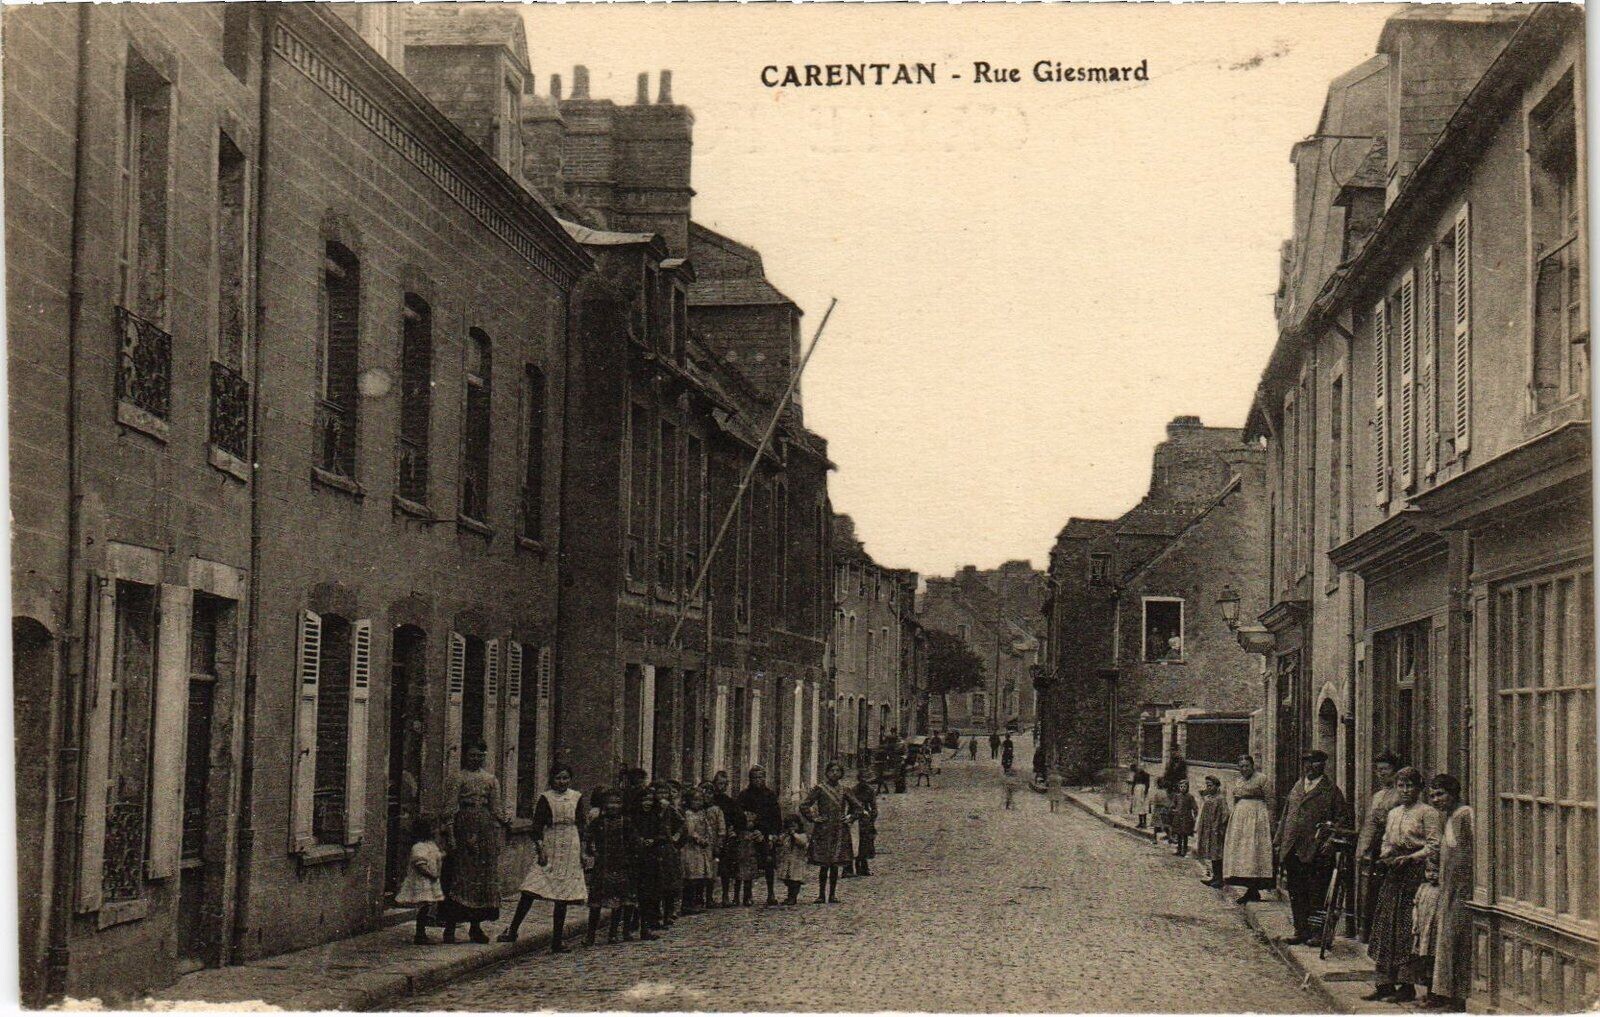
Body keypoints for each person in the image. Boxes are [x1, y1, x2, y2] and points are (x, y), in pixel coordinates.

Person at [1364, 767, 1441, 1003]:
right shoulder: (1394, 813)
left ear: (1419, 788)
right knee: (1386, 925)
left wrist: (1410, 858)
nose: (1405, 790)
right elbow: (1387, 840)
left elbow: (1434, 845)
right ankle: (1384, 984)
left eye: (1410, 786)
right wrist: (1386, 855)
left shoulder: (1427, 812)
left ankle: (1406, 986)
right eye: (1401, 786)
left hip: (1415, 873)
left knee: (1407, 928)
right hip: (1394, 872)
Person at [500, 764, 588, 952]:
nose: (562, 782)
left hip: (571, 846)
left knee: (562, 895)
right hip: (550, 844)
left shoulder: (576, 797)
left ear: (570, 779)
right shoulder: (545, 798)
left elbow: (581, 825)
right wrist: (541, 849)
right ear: (552, 780)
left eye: (565, 778)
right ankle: (512, 930)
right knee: (531, 888)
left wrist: (582, 851)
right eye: (558, 778)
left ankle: (557, 941)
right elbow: (537, 826)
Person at [1277, 748, 1350, 945]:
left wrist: (1330, 841)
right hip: (1293, 847)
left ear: (1323, 765)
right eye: (1307, 762)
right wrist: (1279, 842)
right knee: (1296, 890)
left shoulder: (1331, 791)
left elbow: (1342, 819)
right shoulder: (1297, 786)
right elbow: (1286, 815)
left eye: (1315, 762)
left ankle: (1318, 933)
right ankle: (1300, 930)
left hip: (1316, 849)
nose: (1310, 766)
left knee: (1317, 892)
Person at [440, 743, 505, 943]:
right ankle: (450, 927)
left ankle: (476, 928)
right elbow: (449, 808)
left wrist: (499, 832)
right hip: (463, 826)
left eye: (479, 755)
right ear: (465, 756)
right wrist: (451, 835)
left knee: (481, 879)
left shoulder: (490, 779)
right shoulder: (457, 778)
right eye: (472, 755)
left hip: (485, 829)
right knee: (459, 877)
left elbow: (496, 809)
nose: (476, 759)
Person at [1419, 774, 1472, 1012]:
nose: (1436, 800)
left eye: (1440, 794)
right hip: (1448, 889)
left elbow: (1469, 855)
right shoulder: (1448, 817)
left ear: (1454, 793)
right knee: (1445, 942)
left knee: (1457, 943)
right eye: (1432, 796)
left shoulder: (1464, 816)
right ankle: (1445, 994)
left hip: (1462, 891)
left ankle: (1458, 998)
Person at [583, 790, 640, 945]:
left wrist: (632, 858)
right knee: (596, 902)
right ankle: (590, 935)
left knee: (620, 901)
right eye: (610, 803)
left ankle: (616, 933)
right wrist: (592, 851)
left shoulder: (626, 823)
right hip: (603, 866)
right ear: (603, 805)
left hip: (622, 865)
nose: (613, 806)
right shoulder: (598, 823)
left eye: (617, 802)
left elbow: (634, 843)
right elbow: (588, 840)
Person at [1359, 752, 1403, 942]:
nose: (1381, 773)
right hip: (1377, 845)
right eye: (1378, 770)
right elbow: (1369, 824)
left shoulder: (1401, 794)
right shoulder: (1377, 796)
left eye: (1385, 769)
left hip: (1395, 846)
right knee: (1374, 890)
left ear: (1395, 770)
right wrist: (1363, 847)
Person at [801, 762, 857, 903]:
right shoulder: (820, 789)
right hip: (824, 830)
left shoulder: (845, 790)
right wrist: (813, 818)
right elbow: (804, 805)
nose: (835, 773)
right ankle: (821, 895)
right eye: (832, 770)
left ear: (841, 773)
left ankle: (832, 895)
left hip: (839, 830)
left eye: (838, 771)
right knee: (824, 864)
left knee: (835, 864)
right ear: (826, 773)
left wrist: (850, 817)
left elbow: (858, 807)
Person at [1223, 754, 1274, 904]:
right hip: (1240, 819)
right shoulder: (1237, 780)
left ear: (1252, 766)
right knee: (1243, 852)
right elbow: (1233, 798)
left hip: (1257, 817)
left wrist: (1270, 821)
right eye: (1241, 766)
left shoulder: (1262, 779)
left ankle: (1254, 889)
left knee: (1254, 851)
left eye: (1247, 766)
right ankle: (1249, 888)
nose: (1244, 769)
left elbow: (1270, 800)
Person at [396, 814, 448, 945]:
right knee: (423, 907)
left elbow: (437, 856)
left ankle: (422, 932)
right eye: (433, 829)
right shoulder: (418, 847)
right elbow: (420, 864)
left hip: (429, 882)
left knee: (427, 906)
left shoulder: (430, 845)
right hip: (422, 881)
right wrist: (431, 874)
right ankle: (420, 934)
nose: (436, 831)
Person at [737, 766, 783, 905]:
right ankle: (747, 895)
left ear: (764, 778)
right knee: (749, 864)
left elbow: (776, 817)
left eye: (761, 777)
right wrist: (747, 828)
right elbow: (739, 815)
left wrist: (773, 834)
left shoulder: (770, 795)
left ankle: (771, 893)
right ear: (750, 779)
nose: (758, 780)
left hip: (766, 834)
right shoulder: (744, 795)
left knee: (769, 863)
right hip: (750, 835)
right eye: (755, 777)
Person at [679, 787, 715, 915]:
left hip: (701, 850)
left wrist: (707, 838)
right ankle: (687, 904)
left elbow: (708, 828)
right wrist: (699, 839)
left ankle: (697, 902)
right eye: (695, 800)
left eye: (700, 800)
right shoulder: (689, 814)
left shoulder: (702, 814)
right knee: (690, 877)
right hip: (691, 849)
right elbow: (690, 831)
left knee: (700, 876)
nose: (698, 802)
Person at [1195, 775, 1231, 887]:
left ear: (1216, 786)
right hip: (1209, 830)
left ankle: (1219, 879)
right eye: (1207, 785)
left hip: (1217, 831)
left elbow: (1226, 814)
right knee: (1212, 854)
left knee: (1217, 855)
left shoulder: (1220, 799)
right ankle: (1215, 877)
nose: (1208, 788)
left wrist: (1220, 827)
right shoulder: (1210, 798)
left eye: (1210, 785)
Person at [775, 814, 810, 905]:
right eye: (790, 826)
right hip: (787, 861)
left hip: (797, 862)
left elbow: (802, 842)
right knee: (788, 880)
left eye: (794, 825)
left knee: (795, 881)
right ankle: (789, 896)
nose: (792, 828)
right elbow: (780, 842)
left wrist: (794, 834)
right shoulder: (786, 836)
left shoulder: (802, 835)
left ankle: (793, 897)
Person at [850, 767, 879, 876]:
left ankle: (864, 867)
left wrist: (871, 818)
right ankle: (853, 867)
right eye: (862, 778)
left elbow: (874, 807)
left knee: (865, 843)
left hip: (866, 820)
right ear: (859, 779)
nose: (864, 781)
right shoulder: (853, 790)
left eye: (866, 779)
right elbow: (851, 806)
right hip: (855, 818)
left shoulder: (870, 791)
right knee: (855, 843)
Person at [1169, 778, 1197, 857]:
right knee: (1178, 834)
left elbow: (1194, 807)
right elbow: (1172, 806)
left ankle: (1184, 851)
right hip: (1178, 817)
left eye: (1184, 786)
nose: (1182, 788)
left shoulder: (1190, 797)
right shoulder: (1177, 796)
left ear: (1187, 787)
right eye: (1181, 787)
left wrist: (1195, 816)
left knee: (1185, 835)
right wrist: (1174, 811)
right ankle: (1178, 850)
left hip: (1186, 818)